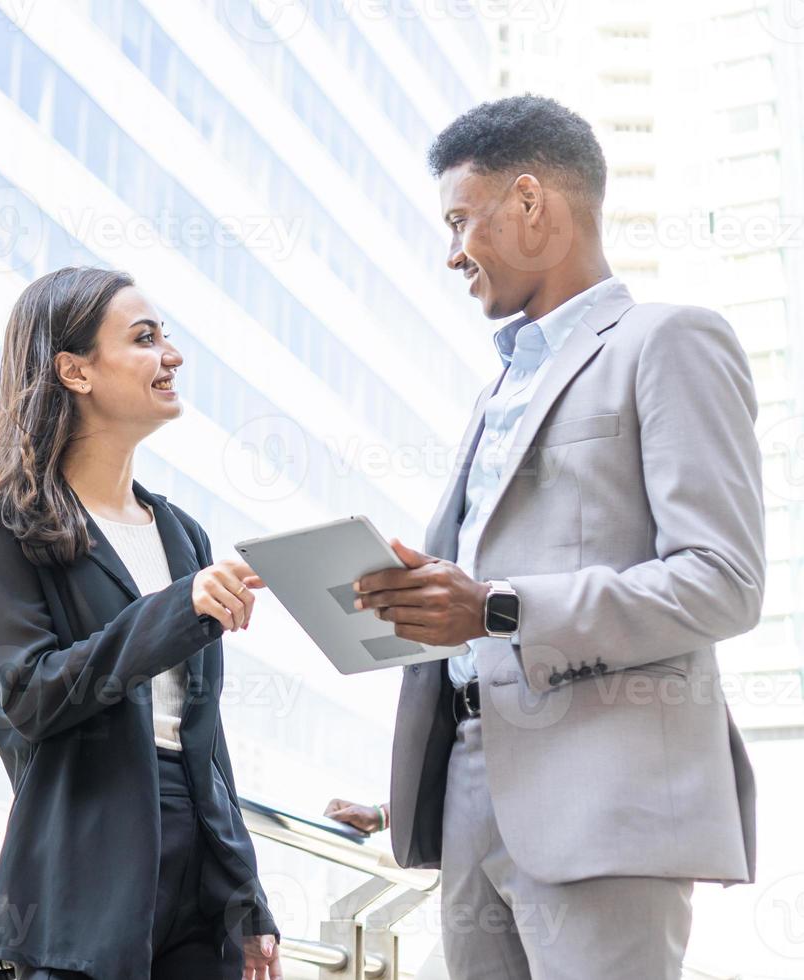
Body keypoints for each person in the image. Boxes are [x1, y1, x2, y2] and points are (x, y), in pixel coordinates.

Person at [326, 95, 764, 977]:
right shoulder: (495, 392)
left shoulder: (666, 341)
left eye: (460, 221)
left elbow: (722, 580)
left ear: (531, 203)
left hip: (604, 805)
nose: (451, 253)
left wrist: (491, 607)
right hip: (467, 791)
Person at [0, 266, 282, 980]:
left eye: (168, 337)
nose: (173, 356)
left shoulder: (181, 534)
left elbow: (206, 738)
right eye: (145, 338)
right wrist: (176, 608)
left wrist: (247, 896)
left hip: (198, 865)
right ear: (74, 370)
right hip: (85, 865)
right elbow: (30, 694)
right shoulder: (3, 521)